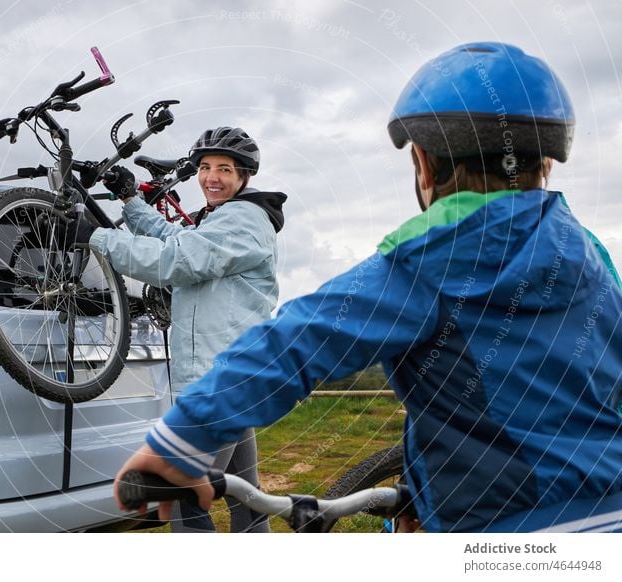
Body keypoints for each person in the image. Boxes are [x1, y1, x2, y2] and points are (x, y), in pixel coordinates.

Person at [113, 42, 622, 533]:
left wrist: (178, 441)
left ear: (422, 162)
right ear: (548, 161)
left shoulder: (432, 259)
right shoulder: (591, 255)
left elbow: (295, 343)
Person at [83, 127, 287, 532]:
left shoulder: (243, 220)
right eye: (206, 167)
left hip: (219, 381)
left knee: (181, 496)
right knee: (246, 496)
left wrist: (98, 238)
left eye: (224, 169)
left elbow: (179, 261)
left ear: (245, 175)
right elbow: (178, 237)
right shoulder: (229, 216)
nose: (211, 177)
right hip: (233, 376)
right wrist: (131, 201)